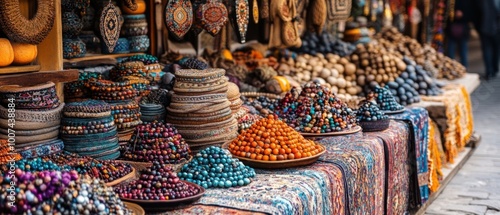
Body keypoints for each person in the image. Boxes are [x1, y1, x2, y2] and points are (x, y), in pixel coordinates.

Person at [471, 0, 500, 80]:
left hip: (486, 28)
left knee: (489, 50)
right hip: (492, 28)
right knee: (494, 49)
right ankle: (493, 69)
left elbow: (475, 14)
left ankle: (490, 71)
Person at [445, 0, 471, 68]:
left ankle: (463, 70)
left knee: (463, 52)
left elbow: (471, 12)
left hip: (463, 29)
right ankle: (450, 69)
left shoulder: (466, 2)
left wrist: (462, 15)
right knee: (451, 53)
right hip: (451, 29)